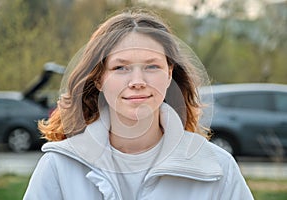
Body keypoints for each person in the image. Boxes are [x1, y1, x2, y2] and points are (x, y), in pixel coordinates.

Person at [23, 9, 254, 200]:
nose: (137, 82)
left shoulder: (218, 168)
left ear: (169, 74)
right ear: (99, 79)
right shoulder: (58, 167)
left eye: (152, 66)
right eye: (120, 67)